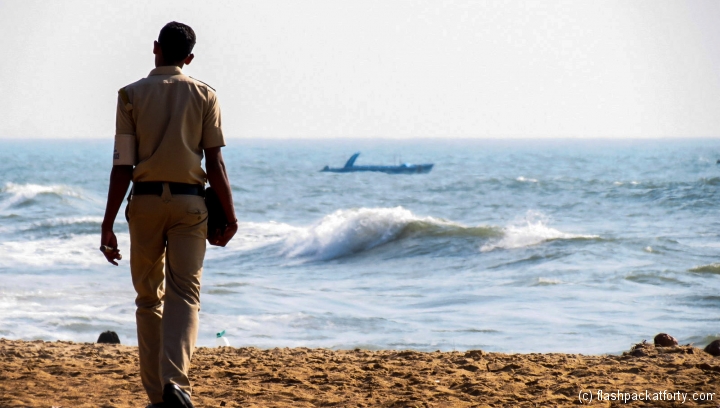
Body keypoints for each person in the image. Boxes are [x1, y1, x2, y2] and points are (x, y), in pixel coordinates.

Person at [100, 21, 238, 408]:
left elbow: (122, 167)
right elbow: (215, 163)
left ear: (155, 47)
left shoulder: (129, 95)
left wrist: (107, 223)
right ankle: (175, 383)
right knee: (184, 295)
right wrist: (230, 214)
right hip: (190, 204)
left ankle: (158, 398)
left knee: (148, 299)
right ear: (189, 58)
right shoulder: (205, 94)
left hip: (142, 203)